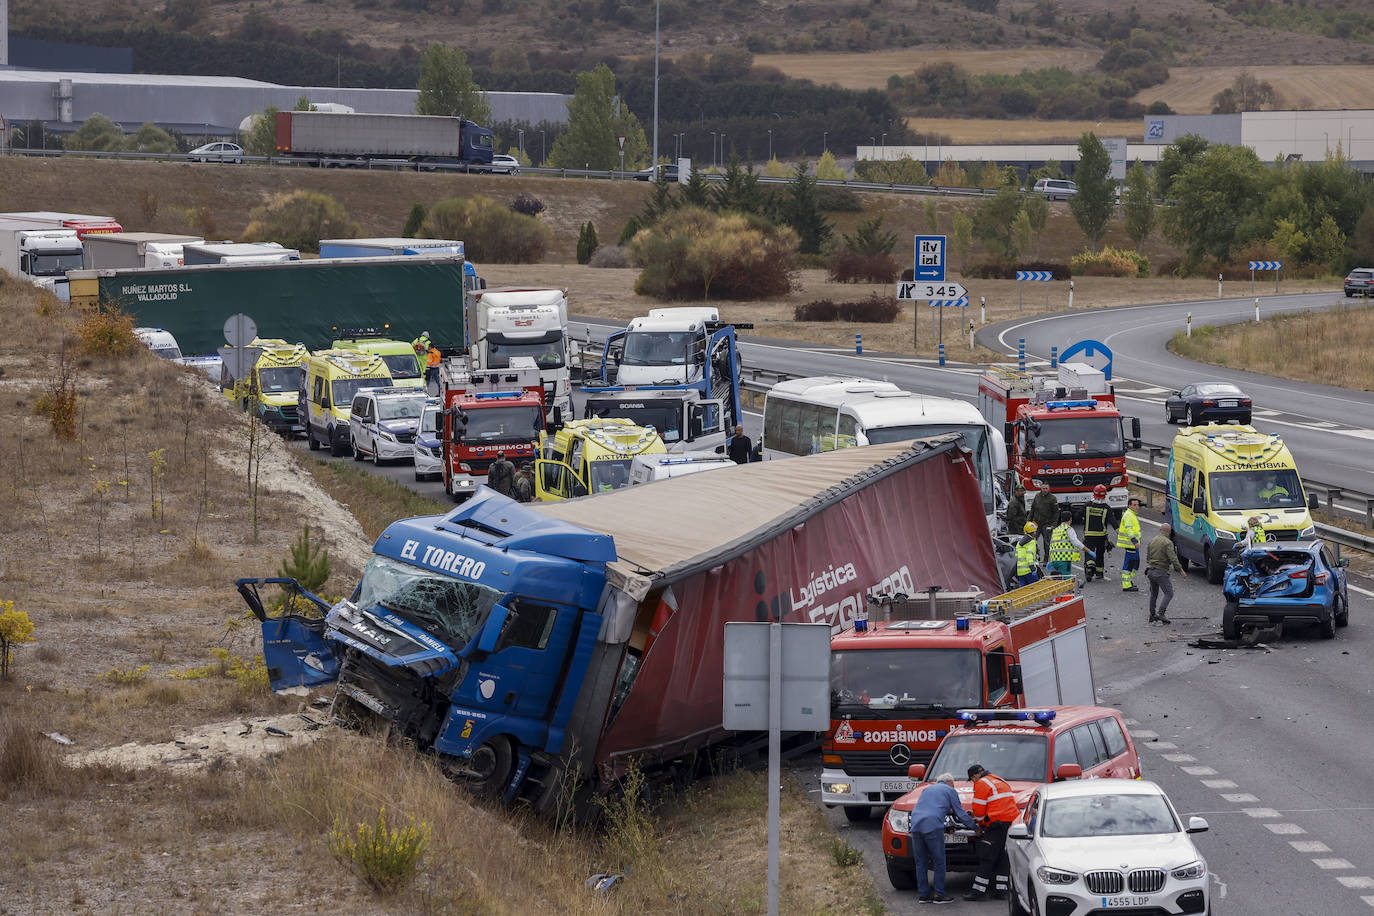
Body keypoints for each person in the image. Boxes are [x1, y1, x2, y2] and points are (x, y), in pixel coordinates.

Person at [908, 773, 977, 904]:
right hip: (933, 827)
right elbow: (960, 813)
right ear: (949, 782)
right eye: (953, 783)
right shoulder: (950, 790)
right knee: (939, 861)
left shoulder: (927, 789)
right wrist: (974, 827)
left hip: (916, 825)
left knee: (921, 862)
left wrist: (947, 825)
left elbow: (931, 809)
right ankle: (939, 894)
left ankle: (923, 895)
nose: (954, 786)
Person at [965, 763, 1018, 901]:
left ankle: (978, 892)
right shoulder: (999, 780)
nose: (973, 783)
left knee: (987, 856)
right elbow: (998, 804)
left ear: (975, 775)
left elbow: (979, 811)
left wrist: (980, 825)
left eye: (972, 780)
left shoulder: (981, 783)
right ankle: (1002, 891)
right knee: (1002, 856)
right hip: (1010, 823)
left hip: (996, 825)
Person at [1146, 523, 1187, 624]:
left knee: (1154, 594)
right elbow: (1173, 558)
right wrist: (1181, 570)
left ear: (1160, 530)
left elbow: (1148, 558)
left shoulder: (1152, 540)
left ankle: (1152, 614)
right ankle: (1161, 613)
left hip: (1151, 571)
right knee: (1169, 593)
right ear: (1168, 532)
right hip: (1161, 572)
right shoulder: (1168, 543)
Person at [1082, 485, 1114, 582]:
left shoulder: (1087, 505)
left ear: (1094, 493)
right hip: (1101, 536)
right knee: (1100, 554)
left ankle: (1090, 567)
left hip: (1089, 536)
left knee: (1089, 552)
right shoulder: (1106, 508)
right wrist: (1121, 534)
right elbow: (1113, 522)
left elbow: (1078, 515)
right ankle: (1099, 573)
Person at [1048, 510, 1086, 579]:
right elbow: (1075, 542)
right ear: (1070, 519)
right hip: (1064, 561)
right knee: (1066, 583)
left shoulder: (1056, 530)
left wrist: (1049, 560)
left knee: (1055, 583)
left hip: (1054, 560)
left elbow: (1052, 545)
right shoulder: (1068, 529)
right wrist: (1088, 551)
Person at [1118, 497, 1143, 592]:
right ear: (1129, 506)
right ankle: (1126, 584)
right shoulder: (1129, 515)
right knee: (1130, 564)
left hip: (1132, 544)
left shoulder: (1132, 514)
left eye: (1137, 505)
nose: (1137, 507)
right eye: (1134, 505)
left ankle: (1129, 581)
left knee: (1135, 563)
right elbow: (1129, 529)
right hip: (1130, 544)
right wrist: (1134, 541)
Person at [1030, 483, 1059, 560]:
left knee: (1047, 543)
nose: (1045, 490)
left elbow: (1056, 513)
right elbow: (1032, 509)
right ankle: (1034, 557)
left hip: (1047, 524)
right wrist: (1028, 521)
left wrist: (1054, 524)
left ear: (1049, 489)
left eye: (1046, 488)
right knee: (1032, 541)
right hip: (1036, 523)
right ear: (1041, 489)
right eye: (1043, 488)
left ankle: (1046, 558)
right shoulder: (1037, 496)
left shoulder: (1052, 498)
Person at [1015, 522, 1041, 587]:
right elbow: (1029, 555)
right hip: (1029, 570)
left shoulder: (1019, 542)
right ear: (1033, 532)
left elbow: (1017, 555)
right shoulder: (1031, 542)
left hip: (1020, 571)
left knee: (1024, 591)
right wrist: (1032, 568)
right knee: (1034, 590)